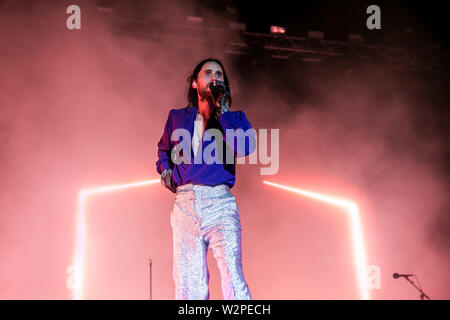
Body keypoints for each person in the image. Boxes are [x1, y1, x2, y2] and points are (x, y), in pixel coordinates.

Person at [156, 58, 255, 300]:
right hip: (185, 203)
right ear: (194, 83)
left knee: (233, 276)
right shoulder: (177, 117)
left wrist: (223, 112)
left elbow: (244, 146)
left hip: (220, 202)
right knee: (189, 283)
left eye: (219, 74)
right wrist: (165, 170)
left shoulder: (234, 118)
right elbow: (163, 149)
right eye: (207, 72)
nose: (214, 77)